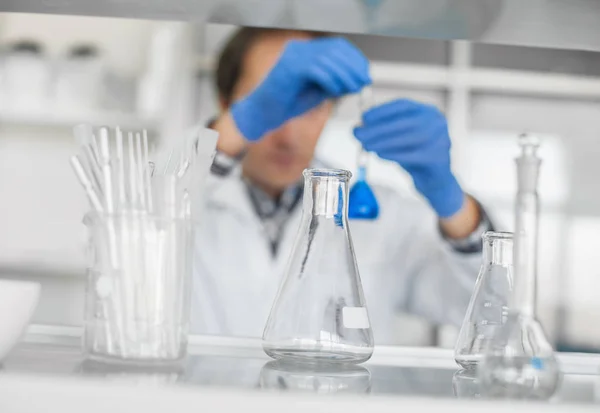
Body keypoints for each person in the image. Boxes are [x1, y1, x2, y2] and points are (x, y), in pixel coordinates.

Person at [191, 27, 493, 344]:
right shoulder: (177, 198)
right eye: (272, 103)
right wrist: (229, 134)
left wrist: (452, 202)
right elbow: (150, 214)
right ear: (226, 105)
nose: (288, 136)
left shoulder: (380, 214)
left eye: (310, 107)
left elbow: (483, 310)